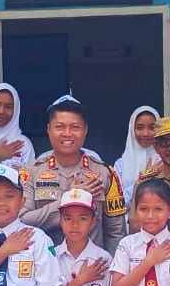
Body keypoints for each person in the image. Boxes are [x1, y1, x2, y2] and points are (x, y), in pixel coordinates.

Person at [20, 96, 128, 253]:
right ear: (49, 129)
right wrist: (69, 197)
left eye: (75, 127)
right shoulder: (30, 173)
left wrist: (112, 270)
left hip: (94, 268)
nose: (67, 133)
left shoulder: (105, 173)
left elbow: (116, 232)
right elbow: (23, 221)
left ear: (85, 131)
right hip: (45, 266)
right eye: (60, 127)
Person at [114, 105, 161, 205]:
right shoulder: (121, 165)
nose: (145, 133)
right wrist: (143, 180)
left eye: (152, 128)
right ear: (132, 130)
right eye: (140, 128)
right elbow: (117, 204)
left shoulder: (164, 161)